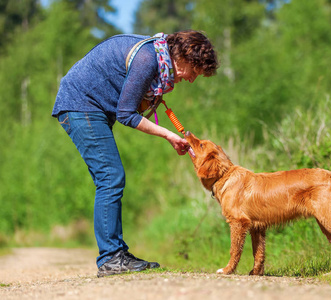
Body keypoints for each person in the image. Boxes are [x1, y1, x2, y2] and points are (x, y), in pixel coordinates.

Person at [52, 30, 219, 277]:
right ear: (183, 56)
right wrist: (168, 135)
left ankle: (116, 253)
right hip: (81, 105)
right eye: (194, 72)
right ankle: (110, 258)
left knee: (109, 177)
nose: (192, 79)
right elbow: (126, 114)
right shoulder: (148, 59)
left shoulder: (156, 56)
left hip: (90, 108)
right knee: (110, 176)